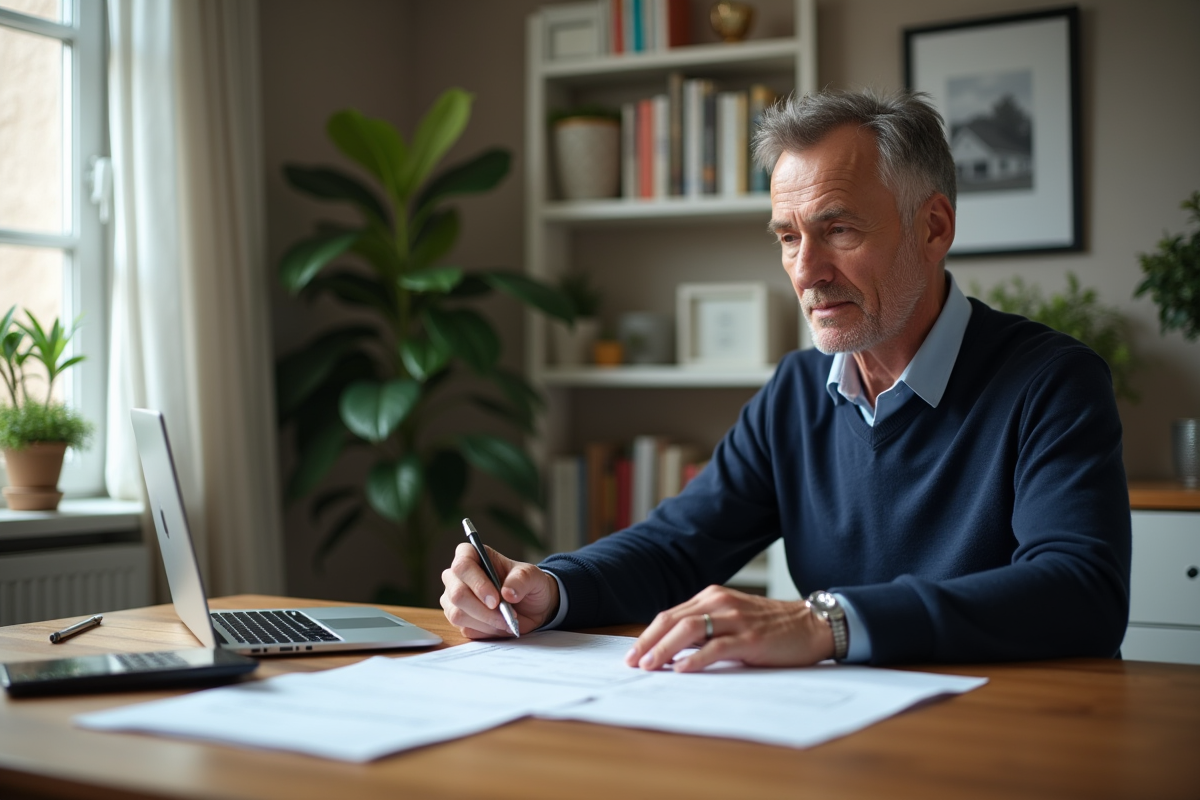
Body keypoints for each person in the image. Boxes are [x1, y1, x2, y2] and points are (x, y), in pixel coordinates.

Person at [440, 89, 1131, 670]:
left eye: (838, 230)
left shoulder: (1052, 383)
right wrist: (552, 588)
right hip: (837, 735)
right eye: (788, 236)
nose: (806, 271)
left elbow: (1080, 592)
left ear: (934, 227)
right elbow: (676, 547)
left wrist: (825, 621)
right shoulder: (797, 393)